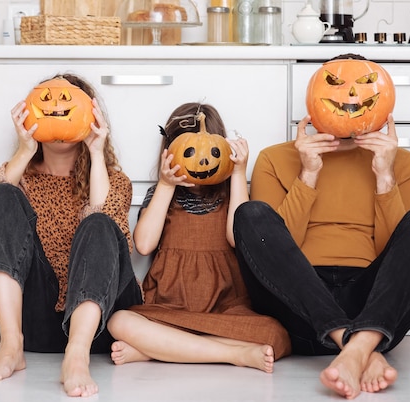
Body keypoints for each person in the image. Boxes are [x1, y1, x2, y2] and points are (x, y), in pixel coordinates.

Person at [233, 56, 410, 399]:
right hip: (298, 305)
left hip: (372, 304)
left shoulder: (402, 163)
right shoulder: (275, 158)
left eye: (363, 86)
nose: (350, 95)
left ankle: (357, 345)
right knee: (250, 213)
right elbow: (277, 251)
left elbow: (397, 259)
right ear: (315, 95)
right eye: (336, 84)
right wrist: (309, 174)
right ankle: (359, 347)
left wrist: (384, 176)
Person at [0, 73, 142, 397]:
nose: (57, 108)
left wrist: (97, 151)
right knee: (0, 194)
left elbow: (113, 228)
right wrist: (24, 149)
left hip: (98, 327)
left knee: (100, 222)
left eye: (68, 103)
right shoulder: (22, 176)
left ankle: (76, 356)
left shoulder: (114, 180)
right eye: (46, 104)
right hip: (34, 322)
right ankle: (11, 346)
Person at [107, 103, 291, 373]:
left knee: (278, 336)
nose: (200, 161)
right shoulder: (161, 194)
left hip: (224, 308)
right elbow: (144, 245)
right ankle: (233, 353)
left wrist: (238, 173)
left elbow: (234, 239)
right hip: (170, 309)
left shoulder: (231, 194)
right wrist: (166, 185)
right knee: (119, 322)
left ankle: (161, 349)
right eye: (189, 151)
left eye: (211, 152)